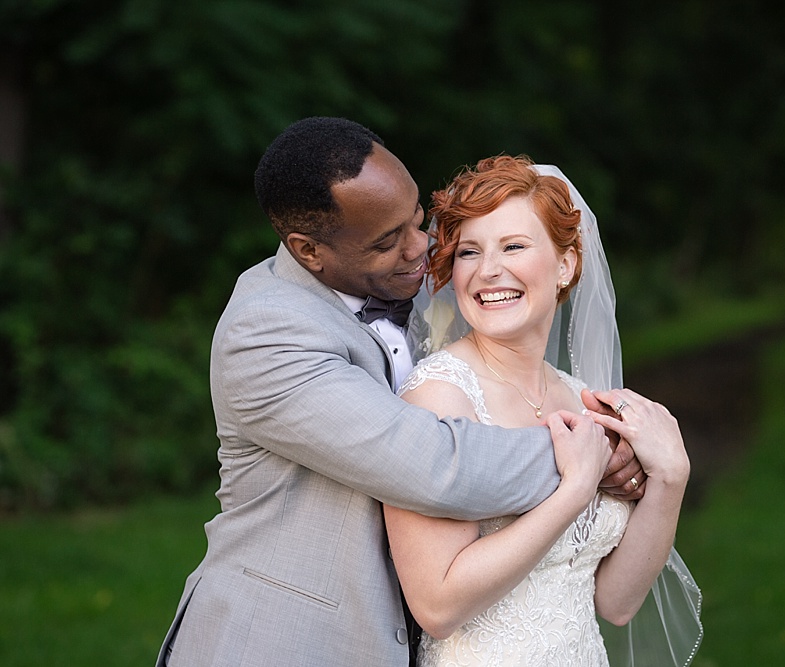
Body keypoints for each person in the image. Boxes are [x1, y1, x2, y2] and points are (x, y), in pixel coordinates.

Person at [154, 118, 645, 667]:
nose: (423, 248)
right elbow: (435, 465)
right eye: (389, 241)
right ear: (308, 250)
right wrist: (594, 452)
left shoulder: (407, 288)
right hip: (283, 643)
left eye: (418, 221)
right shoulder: (266, 333)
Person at [385, 155, 703, 666]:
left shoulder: (581, 398)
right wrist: (574, 490)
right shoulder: (441, 397)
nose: (488, 270)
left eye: (513, 246)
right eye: (469, 251)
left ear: (566, 264)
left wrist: (671, 476)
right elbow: (437, 606)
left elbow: (615, 603)